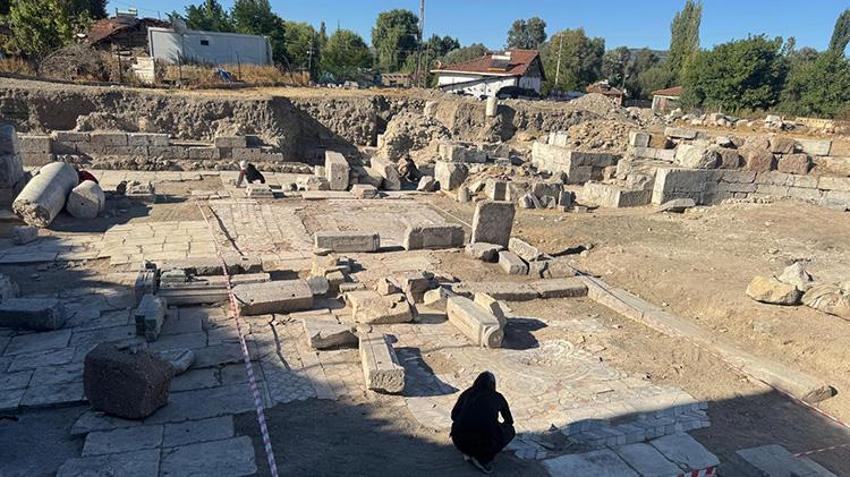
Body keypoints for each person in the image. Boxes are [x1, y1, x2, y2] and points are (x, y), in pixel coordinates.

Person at [450, 371, 515, 474]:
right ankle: (483, 460)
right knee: (510, 430)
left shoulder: (467, 393)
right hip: (483, 446)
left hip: (459, 441)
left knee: (469, 427)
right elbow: (509, 421)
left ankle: (468, 452)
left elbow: (453, 416)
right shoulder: (497, 397)